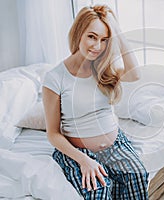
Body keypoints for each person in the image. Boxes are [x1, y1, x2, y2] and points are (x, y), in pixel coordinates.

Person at [42, 5, 149, 200]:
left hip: (115, 145)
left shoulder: (103, 69)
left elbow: (135, 74)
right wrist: (83, 160)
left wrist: (117, 31)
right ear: (79, 33)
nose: (97, 46)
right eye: (92, 36)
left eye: (104, 40)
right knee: (98, 192)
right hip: (77, 151)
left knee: (138, 176)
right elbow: (53, 133)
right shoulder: (55, 78)